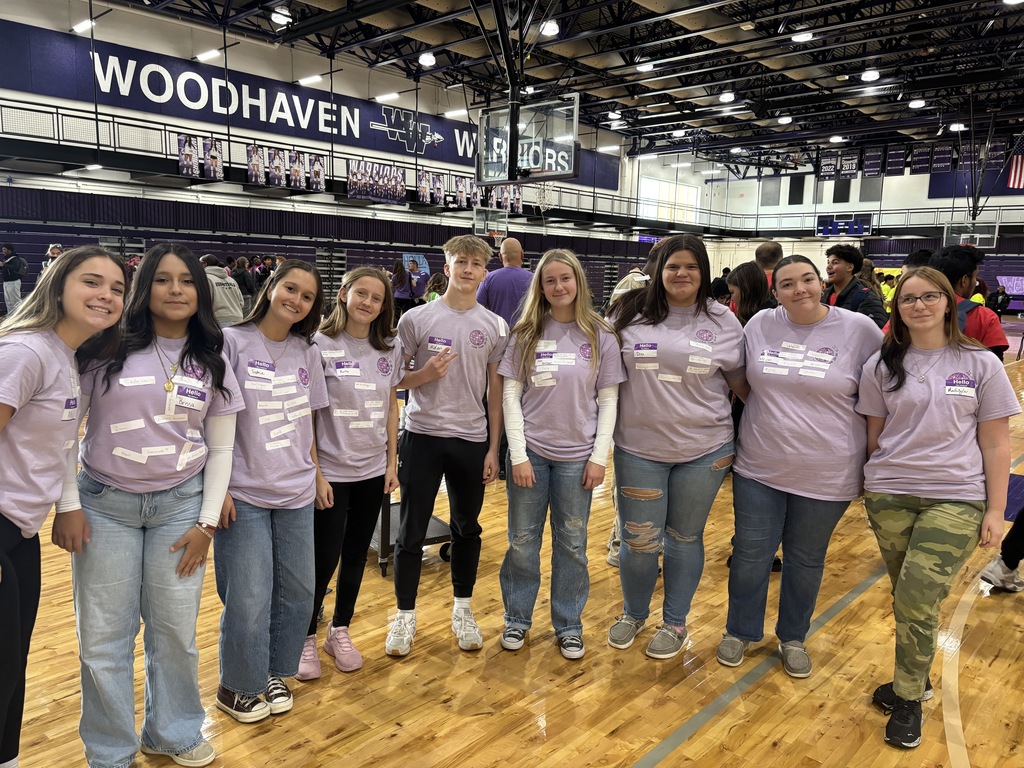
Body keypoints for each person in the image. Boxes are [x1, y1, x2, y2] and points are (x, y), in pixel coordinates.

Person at [53, 243, 242, 768]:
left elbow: (221, 448)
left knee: (175, 633)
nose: (175, 289)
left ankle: (172, 732)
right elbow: (65, 431)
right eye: (162, 279)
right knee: (103, 639)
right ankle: (110, 752)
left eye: (186, 280)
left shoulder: (212, 359)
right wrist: (67, 503)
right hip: (104, 507)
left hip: (181, 510)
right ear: (144, 288)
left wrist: (206, 523)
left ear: (201, 291)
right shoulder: (103, 348)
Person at [857, 267, 1019, 749]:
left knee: (915, 598)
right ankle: (916, 676)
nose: (919, 305)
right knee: (908, 597)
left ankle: (908, 697)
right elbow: (874, 436)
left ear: (949, 302)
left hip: (957, 497)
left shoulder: (980, 364)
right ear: (898, 309)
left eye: (930, 296)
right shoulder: (881, 365)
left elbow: (996, 443)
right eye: (908, 299)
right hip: (890, 495)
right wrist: (873, 483)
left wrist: (996, 511)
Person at [717, 255, 882, 677]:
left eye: (807, 279)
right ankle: (739, 630)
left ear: (821, 282)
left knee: (806, 559)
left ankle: (792, 637)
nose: (799, 289)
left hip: (828, 471)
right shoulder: (759, 325)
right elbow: (743, 382)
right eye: (787, 284)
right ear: (775, 293)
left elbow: (878, 399)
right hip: (760, 465)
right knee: (751, 553)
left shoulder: (860, 329)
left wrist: (873, 462)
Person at [0, 246, 124, 768]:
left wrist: (64, 504)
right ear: (57, 285)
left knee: (11, 667)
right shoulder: (25, 351)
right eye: (91, 282)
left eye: (117, 288)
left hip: (20, 531)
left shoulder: (65, 356)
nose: (106, 295)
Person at [605, 234, 745, 660]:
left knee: (684, 538)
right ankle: (633, 614)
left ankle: (675, 622)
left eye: (691, 266)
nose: (681, 274)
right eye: (673, 266)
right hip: (638, 448)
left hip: (705, 449)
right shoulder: (627, 312)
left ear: (703, 271)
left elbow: (742, 386)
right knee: (638, 540)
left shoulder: (723, 321)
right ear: (658, 270)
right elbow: (600, 374)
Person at [214, 260, 328, 723]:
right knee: (249, 595)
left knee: (299, 590)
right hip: (244, 490)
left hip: (296, 488)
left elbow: (309, 419)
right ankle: (237, 685)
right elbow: (211, 419)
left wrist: (317, 473)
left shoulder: (307, 351)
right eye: (290, 288)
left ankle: (273, 672)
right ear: (271, 287)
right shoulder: (230, 341)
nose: (296, 300)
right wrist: (217, 488)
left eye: (307, 296)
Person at [498, 249, 625, 660]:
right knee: (522, 541)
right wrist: (518, 454)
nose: (558, 286)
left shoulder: (601, 334)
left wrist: (599, 457)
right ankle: (517, 619)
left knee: (571, 544)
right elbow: (511, 395)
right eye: (549, 280)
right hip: (531, 454)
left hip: (578, 458)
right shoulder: (525, 333)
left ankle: (568, 624)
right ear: (540, 286)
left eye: (565, 278)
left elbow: (609, 400)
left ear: (578, 282)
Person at [387, 235, 507, 657]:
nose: (468, 269)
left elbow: (496, 392)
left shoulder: (495, 325)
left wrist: (494, 448)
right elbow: (393, 378)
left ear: (485, 272)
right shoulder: (415, 319)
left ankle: (463, 609)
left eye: (476, 263)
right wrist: (423, 375)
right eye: (461, 261)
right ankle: (404, 615)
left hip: (471, 440)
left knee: (467, 528)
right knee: (411, 530)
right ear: (447, 266)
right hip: (421, 434)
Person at [297, 268, 404, 679]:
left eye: (376, 298)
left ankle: (339, 630)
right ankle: (307, 635)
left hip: (372, 471)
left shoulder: (390, 347)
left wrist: (391, 463)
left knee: (357, 555)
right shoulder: (317, 344)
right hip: (331, 473)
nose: (368, 303)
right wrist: (317, 473)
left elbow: (391, 407)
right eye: (362, 293)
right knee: (323, 558)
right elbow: (308, 415)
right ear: (344, 294)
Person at [928, 245, 1007, 358]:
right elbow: (995, 362)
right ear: (964, 280)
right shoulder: (985, 317)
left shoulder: (910, 309)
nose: (975, 283)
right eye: (975, 277)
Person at [821, 244, 887, 328]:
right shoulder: (822, 296)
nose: (828, 267)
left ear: (850, 267)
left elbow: (875, 330)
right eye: (828, 262)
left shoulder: (866, 298)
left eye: (835, 262)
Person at [476, 237, 532, 326]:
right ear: (522, 255)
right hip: (525, 333)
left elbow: (477, 308)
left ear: (500, 257)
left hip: (496, 332)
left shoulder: (488, 278)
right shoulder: (534, 279)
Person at [201, 254, 244, 327]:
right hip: (238, 318)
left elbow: (204, 302)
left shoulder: (205, 279)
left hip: (217, 320)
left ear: (204, 264)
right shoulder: (231, 280)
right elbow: (241, 302)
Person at [2, 245, 27, 316]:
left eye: (4, 249)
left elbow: (15, 268)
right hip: (6, 282)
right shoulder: (6, 259)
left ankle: (20, 315)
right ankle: (10, 315)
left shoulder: (15, 259)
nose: (3, 251)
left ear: (9, 250)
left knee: (16, 300)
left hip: (13, 282)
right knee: (8, 301)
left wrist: (4, 265)